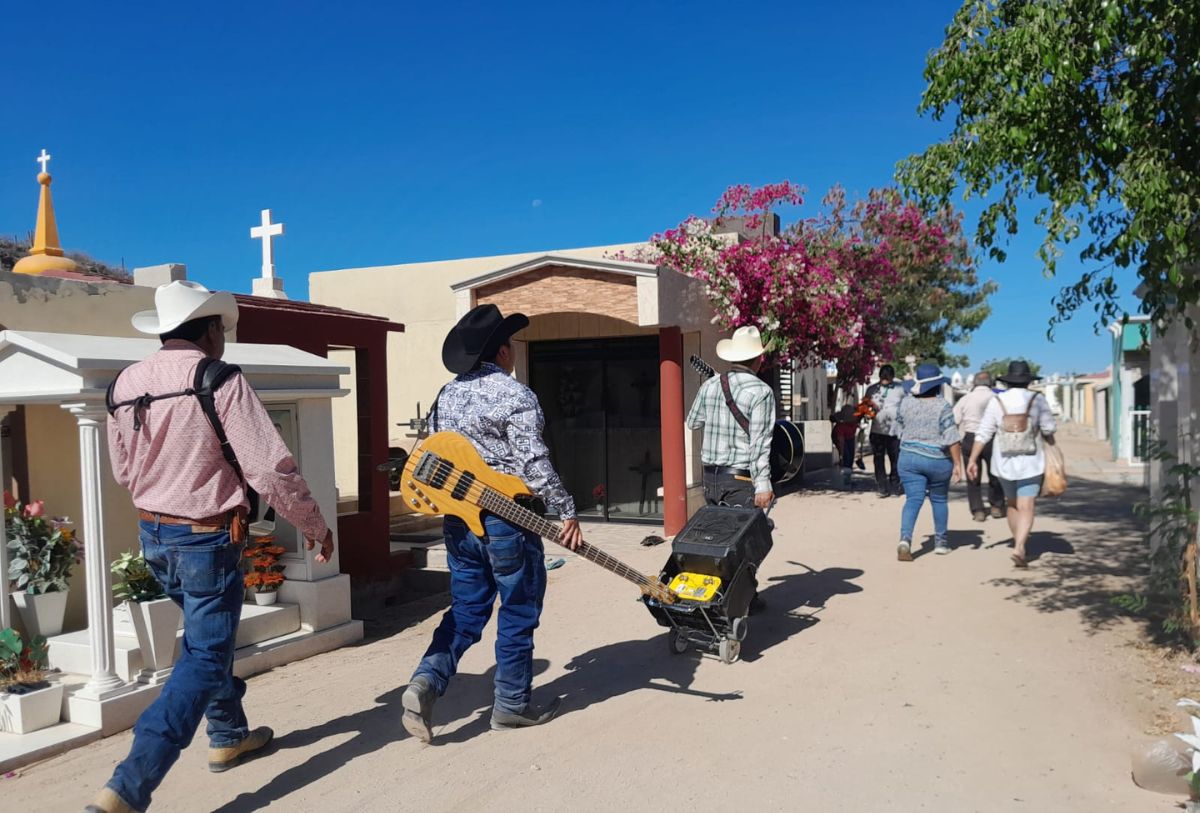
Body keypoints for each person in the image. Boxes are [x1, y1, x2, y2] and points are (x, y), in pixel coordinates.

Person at [89, 281, 335, 813]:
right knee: (205, 654)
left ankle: (228, 734)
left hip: (154, 533)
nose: (224, 338)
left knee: (208, 641)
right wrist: (313, 523)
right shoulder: (217, 378)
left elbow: (123, 471)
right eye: (221, 328)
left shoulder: (124, 385)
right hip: (207, 537)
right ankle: (128, 788)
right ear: (209, 330)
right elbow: (268, 466)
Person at [401, 304, 583, 744]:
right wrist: (567, 510)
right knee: (517, 611)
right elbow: (532, 463)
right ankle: (512, 706)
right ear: (502, 351)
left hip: (460, 521)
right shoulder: (516, 396)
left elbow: (440, 453)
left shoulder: (448, 395)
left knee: (466, 611)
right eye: (512, 346)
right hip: (508, 522)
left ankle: (426, 680)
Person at [967, 360, 1057, 568]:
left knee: (1012, 504)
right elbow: (1049, 429)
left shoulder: (997, 402)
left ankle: (1018, 541)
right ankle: (1020, 545)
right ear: (1027, 381)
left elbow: (983, 433)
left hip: (1004, 463)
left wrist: (972, 460)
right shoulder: (1038, 399)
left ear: (1007, 381)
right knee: (1027, 505)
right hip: (1031, 461)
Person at [686, 325, 776, 511]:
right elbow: (759, 443)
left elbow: (693, 423)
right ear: (759, 358)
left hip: (710, 479)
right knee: (746, 538)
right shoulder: (761, 391)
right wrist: (763, 485)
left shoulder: (710, 385)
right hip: (740, 480)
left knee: (720, 536)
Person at [894, 362, 963, 561]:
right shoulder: (943, 406)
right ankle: (941, 543)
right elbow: (952, 437)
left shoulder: (906, 403)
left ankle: (905, 539)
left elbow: (899, 427)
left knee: (913, 500)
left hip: (908, 458)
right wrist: (958, 464)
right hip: (937, 460)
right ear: (937, 385)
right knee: (939, 500)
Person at [953, 371, 1007, 522]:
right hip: (993, 439)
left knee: (972, 476)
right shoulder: (997, 398)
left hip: (970, 438)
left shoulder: (965, 399)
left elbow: (955, 421)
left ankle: (978, 510)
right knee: (995, 474)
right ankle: (996, 506)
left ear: (974, 384)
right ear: (990, 384)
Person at [864, 364, 903, 497]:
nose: (885, 380)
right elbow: (865, 406)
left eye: (888, 377)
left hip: (895, 431)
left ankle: (895, 485)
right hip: (877, 430)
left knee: (896, 459)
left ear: (892, 377)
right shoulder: (871, 390)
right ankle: (882, 487)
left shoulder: (900, 389)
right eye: (883, 377)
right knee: (878, 459)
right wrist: (868, 411)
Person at [831, 404, 860, 490]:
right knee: (846, 457)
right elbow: (840, 441)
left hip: (850, 438)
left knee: (850, 458)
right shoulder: (840, 427)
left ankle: (848, 479)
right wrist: (841, 453)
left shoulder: (855, 423)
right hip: (840, 438)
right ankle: (846, 480)